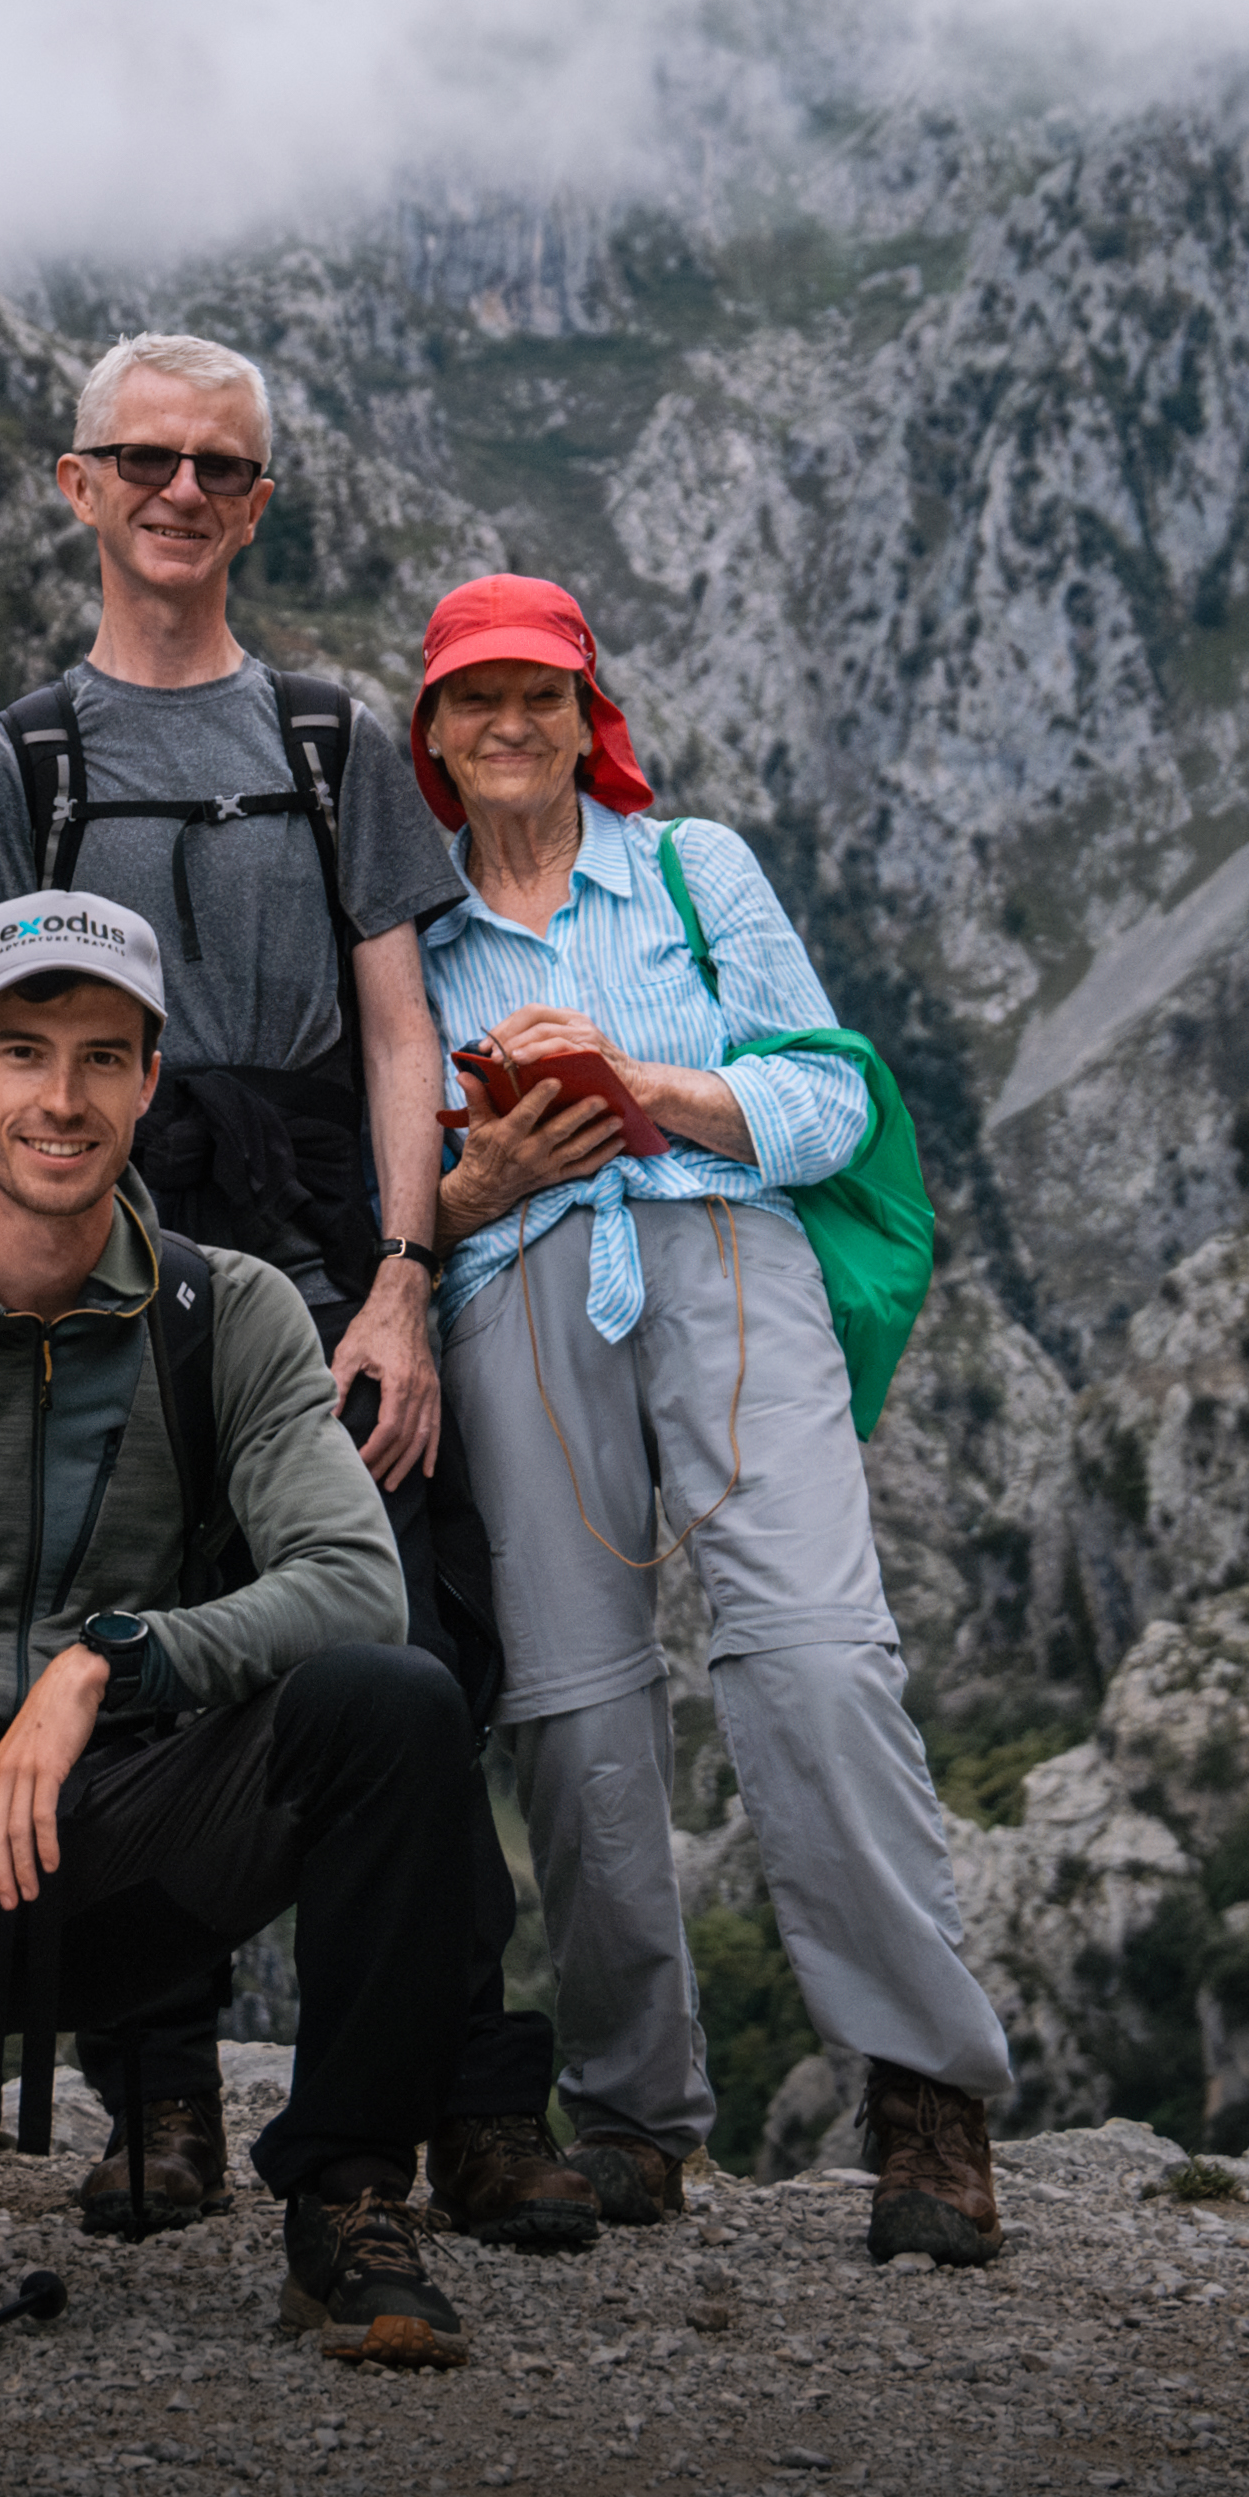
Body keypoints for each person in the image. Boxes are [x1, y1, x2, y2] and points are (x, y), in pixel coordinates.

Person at [0, 329, 584, 2250]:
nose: (179, 495)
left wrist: (398, 1280)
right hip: (100, 1242)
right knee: (124, 1641)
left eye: (218, 468)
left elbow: (400, 1025)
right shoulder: (19, 756)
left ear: (261, 501)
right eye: (144, 461)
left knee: (418, 1664)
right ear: (78, 484)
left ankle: (463, 2097)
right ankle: (158, 2097)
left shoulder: (331, 738)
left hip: (313, 1251)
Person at [0, 892, 482, 2369]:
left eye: (101, 1057)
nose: (59, 1099)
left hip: (127, 1822)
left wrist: (109, 1658)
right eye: (23, 1052)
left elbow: (352, 1579)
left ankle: (351, 2195)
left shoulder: (226, 1311)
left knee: (395, 1704)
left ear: (147, 1083)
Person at [407, 573, 1018, 2265]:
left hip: (726, 1251)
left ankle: (923, 2098)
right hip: (512, 1288)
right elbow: (394, 1191)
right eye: (473, 699)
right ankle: (629, 2112)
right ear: (431, 734)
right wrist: (479, 1181)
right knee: (573, 1704)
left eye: (539, 693)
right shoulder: (408, 925)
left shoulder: (693, 867)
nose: (507, 725)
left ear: (588, 711)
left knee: (815, 1651)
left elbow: (829, 1098)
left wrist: (641, 1087)